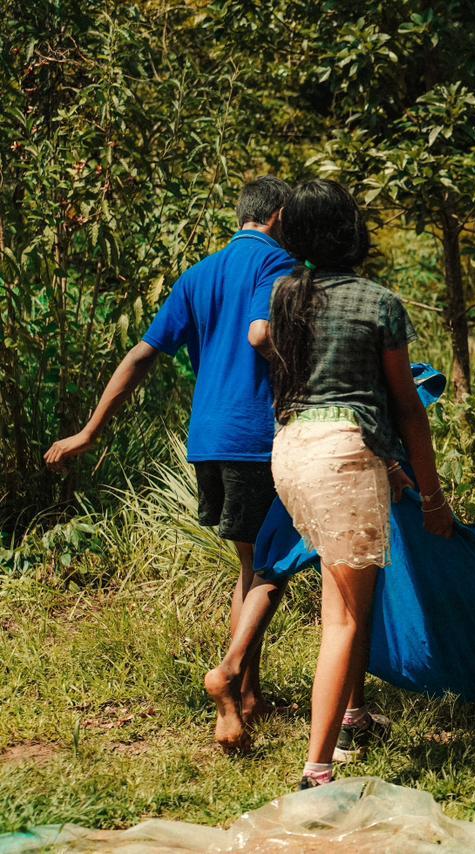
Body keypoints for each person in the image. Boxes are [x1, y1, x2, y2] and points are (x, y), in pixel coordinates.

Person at [44, 177, 295, 754]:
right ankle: (230, 680)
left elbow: (141, 355)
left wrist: (88, 431)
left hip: (207, 439)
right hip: (256, 437)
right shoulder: (279, 264)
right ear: (280, 216)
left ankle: (250, 695)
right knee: (272, 568)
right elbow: (262, 337)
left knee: (249, 563)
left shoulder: (199, 273)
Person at [265, 179, 454, 789]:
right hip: (343, 458)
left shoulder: (286, 295)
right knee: (344, 618)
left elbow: (313, 389)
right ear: (352, 231)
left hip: (292, 452)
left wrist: (391, 470)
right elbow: (406, 407)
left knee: (341, 597)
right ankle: (317, 770)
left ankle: (353, 715)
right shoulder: (378, 302)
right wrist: (431, 494)